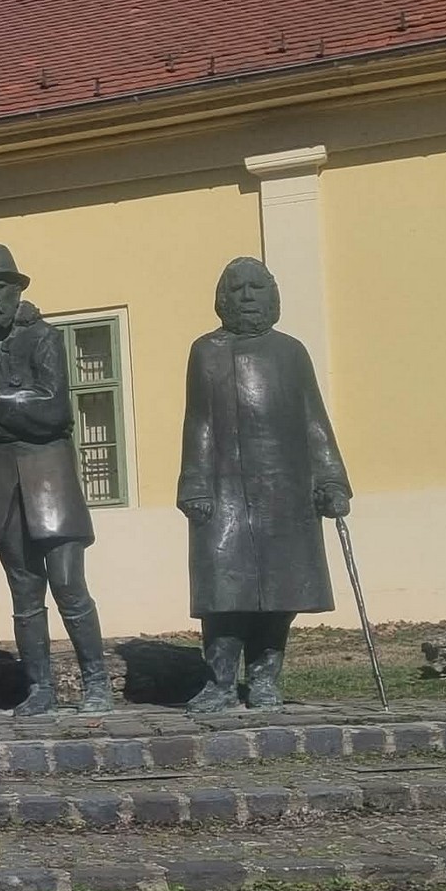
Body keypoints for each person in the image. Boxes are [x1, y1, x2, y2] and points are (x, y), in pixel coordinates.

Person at [178, 256, 351, 711]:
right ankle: (219, 682)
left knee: (280, 591)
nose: (247, 297)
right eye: (237, 289)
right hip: (223, 489)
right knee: (223, 592)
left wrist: (332, 479)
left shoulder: (291, 352)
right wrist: (194, 483)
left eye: (256, 288)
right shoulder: (206, 351)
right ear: (222, 299)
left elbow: (314, 420)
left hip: (284, 489)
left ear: (273, 296)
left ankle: (264, 679)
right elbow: (197, 423)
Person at [0, 244, 112, 716]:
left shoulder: (45, 336)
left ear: (17, 290)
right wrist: (23, 404)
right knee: (24, 591)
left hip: (52, 479)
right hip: (2, 481)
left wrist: (5, 400)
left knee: (68, 584)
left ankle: (97, 682)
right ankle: (39, 687)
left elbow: (56, 410)